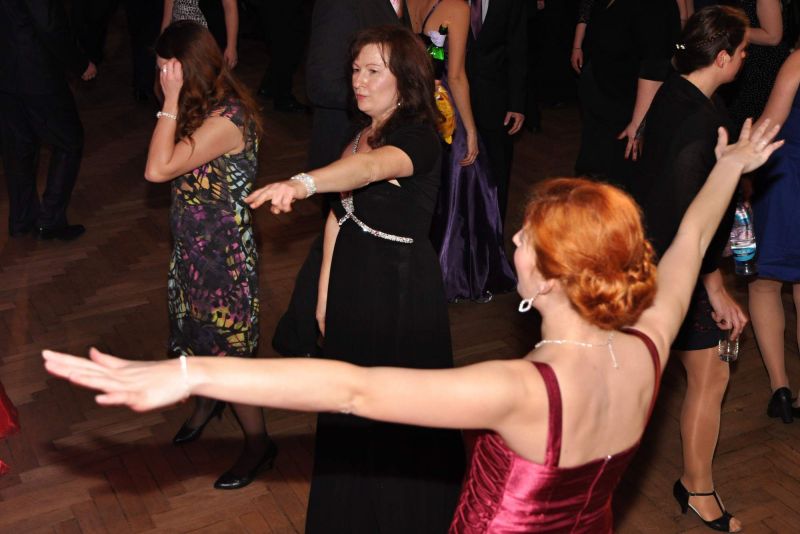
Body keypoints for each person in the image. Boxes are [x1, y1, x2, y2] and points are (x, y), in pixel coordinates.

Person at [44, 119, 783, 533]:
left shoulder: (524, 389)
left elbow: (354, 389)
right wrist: (730, 166)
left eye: (527, 242)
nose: (513, 242)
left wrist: (189, 371)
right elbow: (690, 241)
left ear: (553, 280)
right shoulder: (650, 343)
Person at [254, 25, 465, 533]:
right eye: (355, 70)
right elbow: (340, 215)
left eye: (373, 71)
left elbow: (367, 171)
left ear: (406, 80)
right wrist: (323, 296)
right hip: (353, 280)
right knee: (349, 405)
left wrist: (302, 183)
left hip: (397, 290)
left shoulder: (418, 136)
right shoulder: (361, 132)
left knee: (393, 413)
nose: (359, 81)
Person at [634, 6, 750, 532]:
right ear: (722, 57)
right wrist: (714, 287)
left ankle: (690, 481)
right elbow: (687, 222)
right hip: (674, 268)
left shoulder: (678, 92)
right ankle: (697, 488)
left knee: (694, 372)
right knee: (710, 374)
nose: (745, 60)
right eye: (742, 52)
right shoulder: (697, 122)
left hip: (655, 258)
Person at [145, 21, 275, 490]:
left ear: (188, 70)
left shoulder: (226, 119)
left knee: (230, 359)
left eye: (168, 70)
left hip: (223, 261)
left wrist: (169, 101)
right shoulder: (203, 104)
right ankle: (206, 403)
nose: (161, 77)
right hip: (193, 252)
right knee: (196, 338)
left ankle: (259, 445)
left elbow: (157, 169)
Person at [271, 0, 408, 358]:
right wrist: (380, 92)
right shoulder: (340, 4)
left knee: (341, 248)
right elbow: (320, 84)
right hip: (346, 146)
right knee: (335, 247)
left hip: (384, 141)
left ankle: (304, 334)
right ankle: (305, 336)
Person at [410, 0, 517, 302]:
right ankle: (458, 274)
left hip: (411, 108)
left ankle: (421, 270)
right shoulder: (455, 7)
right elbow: (456, 76)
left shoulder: (403, 4)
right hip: (443, 111)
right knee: (469, 186)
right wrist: (470, 130)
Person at [0, 0, 96, 241]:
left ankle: (21, 220)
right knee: (70, 140)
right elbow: (49, 23)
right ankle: (50, 220)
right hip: (36, 71)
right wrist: (80, 63)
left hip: (6, 71)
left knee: (19, 146)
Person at [573, 0, 680, 190]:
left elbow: (655, 65)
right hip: (602, 103)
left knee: (614, 182)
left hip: (625, 111)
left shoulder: (654, 6)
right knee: (593, 175)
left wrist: (638, 123)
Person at [747, 49, 800, 423]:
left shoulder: (799, 60)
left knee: (764, 284)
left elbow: (769, 125)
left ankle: (780, 387)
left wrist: (733, 165)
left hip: (786, 178)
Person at [465, 0, 527, 223]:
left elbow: (518, 47)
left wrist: (517, 103)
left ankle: (495, 227)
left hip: (496, 97)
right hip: (453, 97)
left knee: (497, 169)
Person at [162, 0, 239, 68]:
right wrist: (162, 45)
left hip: (206, 40)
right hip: (178, 39)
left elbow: (230, 6)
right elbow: (168, 13)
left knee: (207, 75)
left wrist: (231, 46)